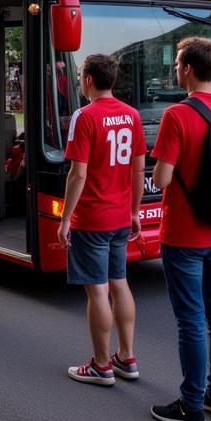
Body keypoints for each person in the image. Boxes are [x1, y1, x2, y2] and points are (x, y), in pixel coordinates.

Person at [150, 37, 211, 421]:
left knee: (190, 319)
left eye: (176, 63)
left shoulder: (176, 115)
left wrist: (158, 174)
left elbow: (162, 178)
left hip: (184, 233)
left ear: (188, 69)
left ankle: (190, 405)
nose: (175, 69)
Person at [57, 54, 145, 386]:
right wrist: (135, 211)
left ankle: (101, 365)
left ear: (90, 79)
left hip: (92, 217)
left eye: (80, 74)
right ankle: (127, 356)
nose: (79, 79)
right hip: (121, 215)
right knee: (119, 284)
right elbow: (138, 169)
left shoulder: (84, 116)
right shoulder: (132, 115)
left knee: (97, 292)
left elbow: (77, 175)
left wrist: (65, 218)